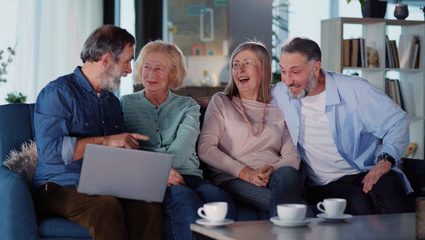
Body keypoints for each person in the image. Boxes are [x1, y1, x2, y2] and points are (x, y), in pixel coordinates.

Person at [32, 25, 162, 240]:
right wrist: (106, 141)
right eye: (127, 61)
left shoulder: (111, 102)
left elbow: (118, 150)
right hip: (57, 186)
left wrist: (130, 152)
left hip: (102, 185)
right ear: (106, 59)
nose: (130, 70)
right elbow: (50, 151)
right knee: (106, 205)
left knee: (147, 203)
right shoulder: (58, 93)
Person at [272, 37, 412, 215]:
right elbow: (249, 96)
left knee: (391, 192)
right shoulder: (281, 93)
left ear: (316, 67)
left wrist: (385, 161)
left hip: (364, 170)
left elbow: (397, 121)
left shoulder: (355, 90)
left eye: (295, 72)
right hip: (323, 184)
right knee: (359, 202)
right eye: (283, 71)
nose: (287, 80)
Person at [120, 40, 235, 240]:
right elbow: (124, 149)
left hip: (188, 175)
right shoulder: (125, 104)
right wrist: (158, 173)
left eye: (159, 69)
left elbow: (183, 147)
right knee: (186, 202)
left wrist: (164, 168)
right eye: (146, 67)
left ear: (173, 73)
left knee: (220, 200)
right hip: (149, 177)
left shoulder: (188, 106)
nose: (151, 74)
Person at [198, 41, 311, 219]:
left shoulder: (279, 108)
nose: (240, 69)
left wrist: (271, 170)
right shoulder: (221, 102)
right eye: (235, 65)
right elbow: (205, 148)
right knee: (301, 210)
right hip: (233, 179)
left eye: (247, 63)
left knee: (288, 173)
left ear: (264, 69)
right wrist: (245, 173)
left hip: (273, 176)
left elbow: (292, 156)